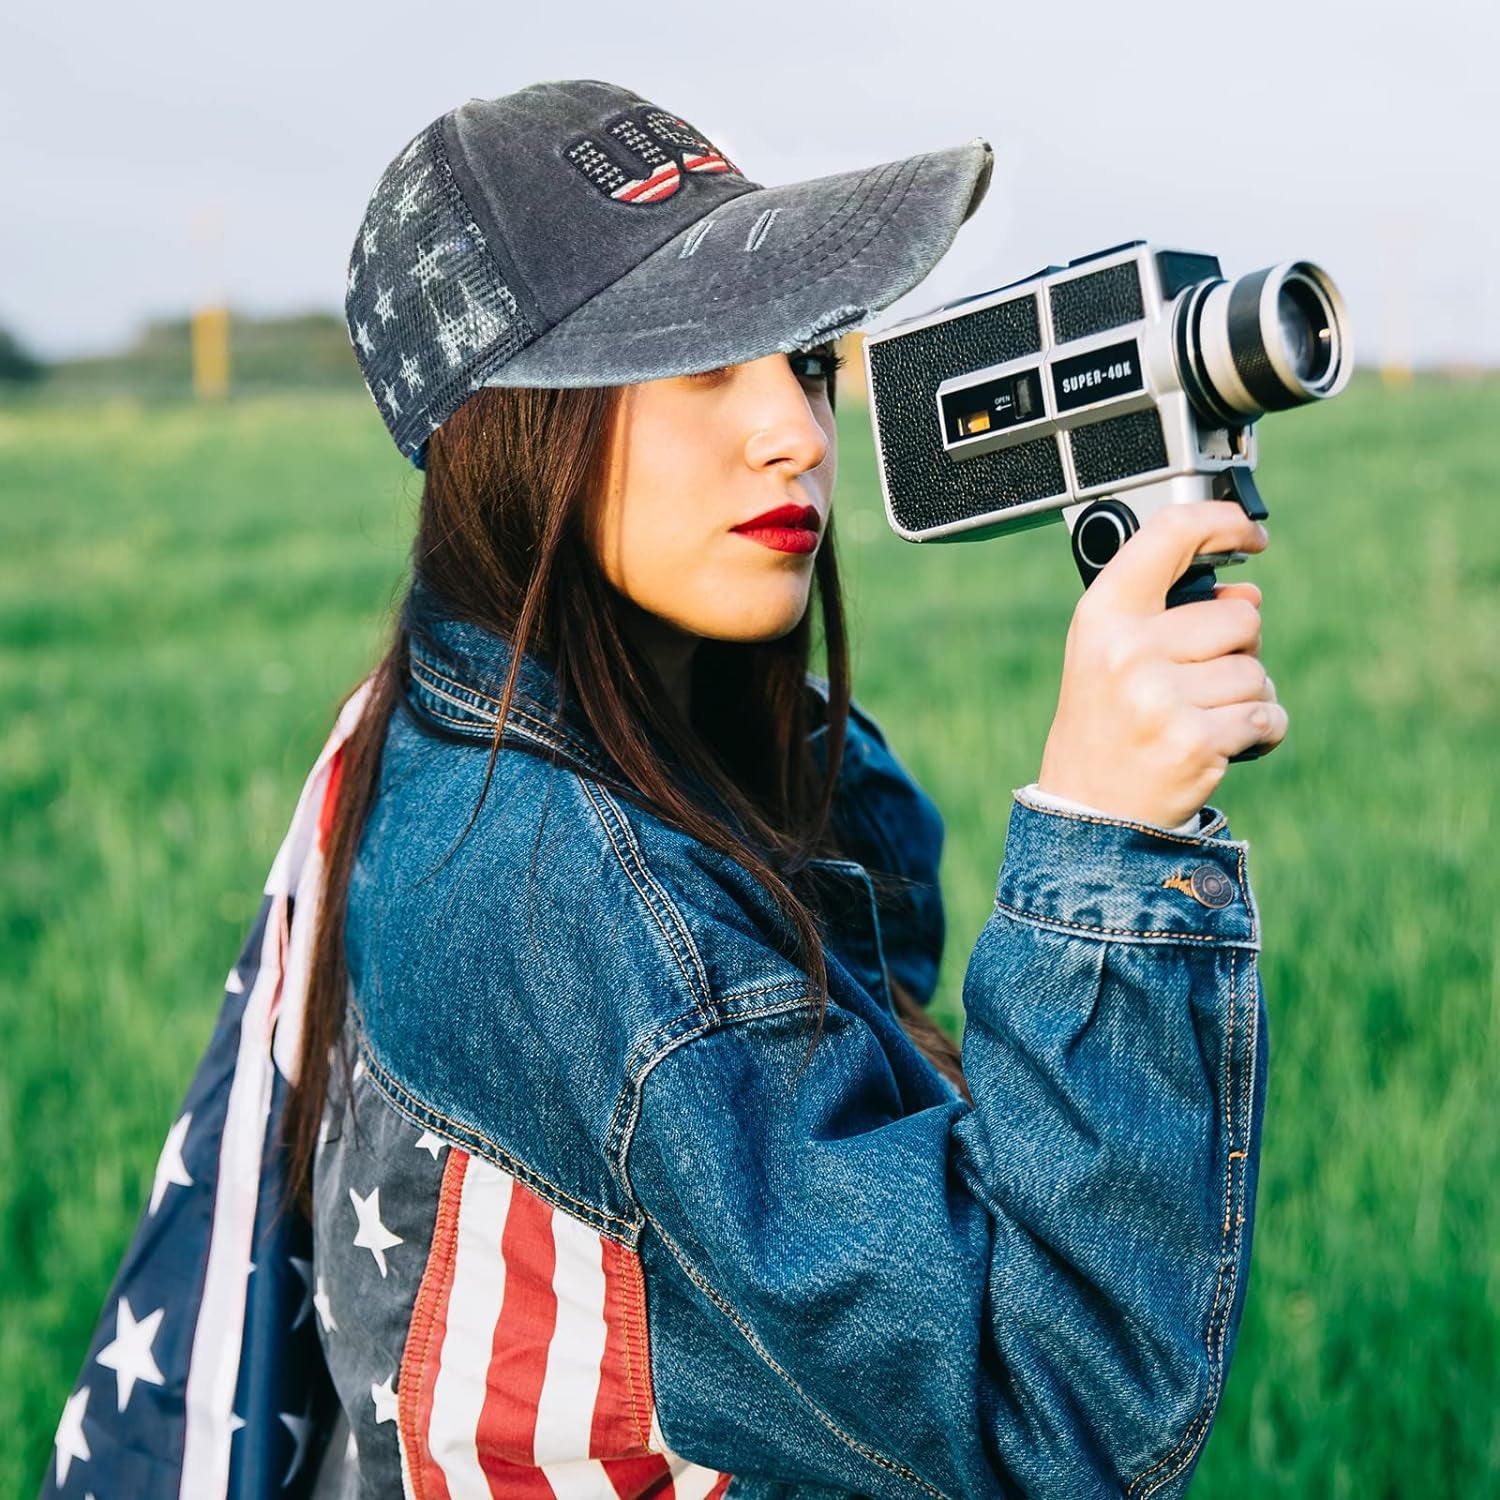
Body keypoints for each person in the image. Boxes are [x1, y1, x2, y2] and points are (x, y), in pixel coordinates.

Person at [43, 80, 1281, 1500]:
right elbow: (1041, 1419)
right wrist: (1108, 840)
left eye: (808, 360)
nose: (798, 434)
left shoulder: (462, 712)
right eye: (701, 361)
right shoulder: (570, 891)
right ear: (509, 427)